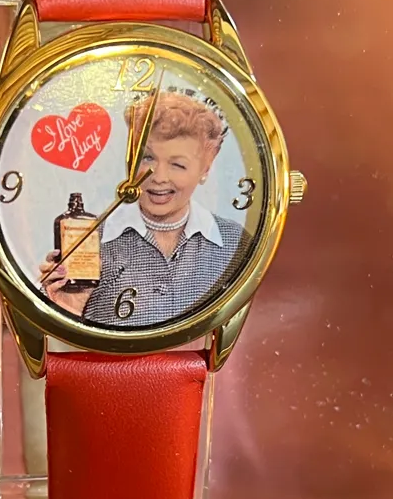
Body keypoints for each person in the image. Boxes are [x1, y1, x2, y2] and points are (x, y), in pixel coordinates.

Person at [40, 90, 249, 327]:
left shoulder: (236, 243)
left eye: (178, 165)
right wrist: (67, 311)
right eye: (147, 158)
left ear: (205, 170)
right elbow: (66, 339)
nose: (158, 177)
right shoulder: (84, 241)